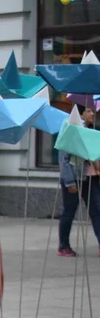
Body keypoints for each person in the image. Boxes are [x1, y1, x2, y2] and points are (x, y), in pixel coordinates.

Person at [57, 107, 100, 257]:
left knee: (97, 211)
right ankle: (63, 245)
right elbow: (64, 159)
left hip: (91, 178)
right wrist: (69, 182)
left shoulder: (91, 131)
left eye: (92, 111)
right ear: (81, 114)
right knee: (69, 212)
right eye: (88, 111)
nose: (92, 114)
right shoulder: (71, 130)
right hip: (75, 178)